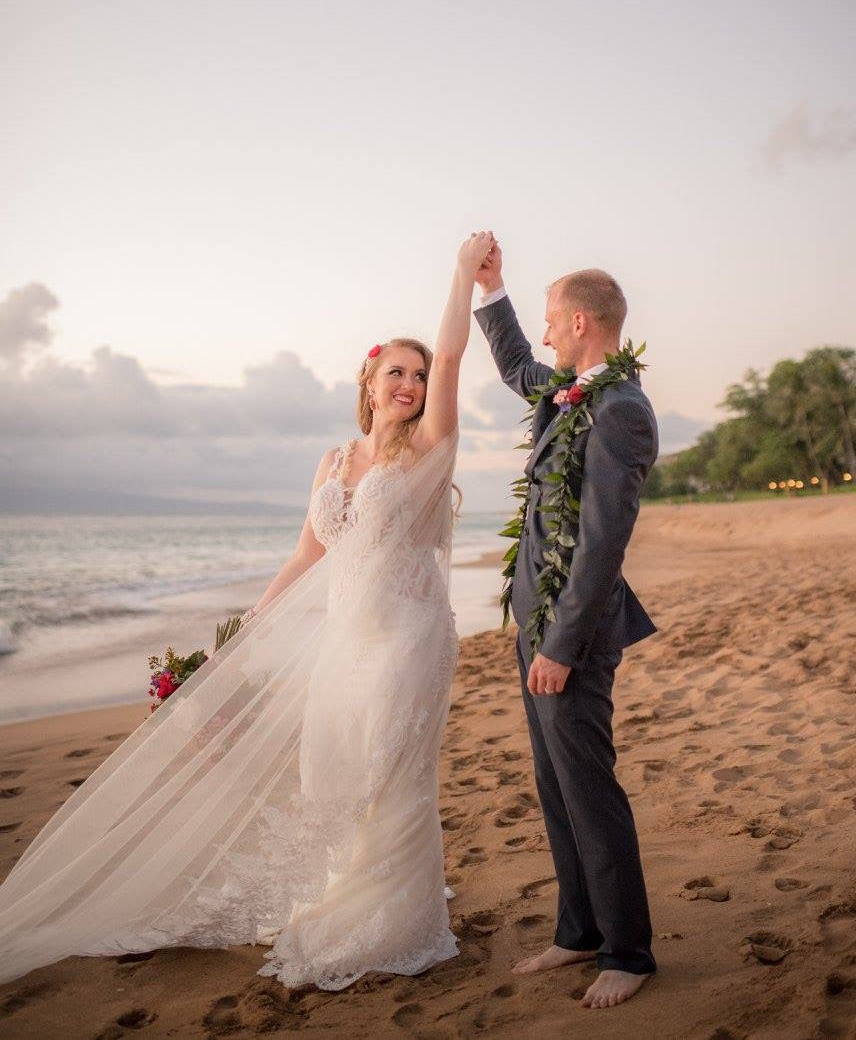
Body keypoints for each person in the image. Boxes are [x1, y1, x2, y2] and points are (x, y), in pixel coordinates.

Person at [0, 231, 495, 992]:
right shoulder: (334, 462)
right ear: (368, 383)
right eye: (395, 371)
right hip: (344, 639)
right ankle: (346, 889)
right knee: (331, 771)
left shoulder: (430, 449)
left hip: (407, 636)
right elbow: (307, 557)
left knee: (391, 774)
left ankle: (398, 917)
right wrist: (246, 631)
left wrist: (463, 275)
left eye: (419, 375)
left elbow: (457, 355)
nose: (411, 383)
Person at [473, 242, 659, 1010]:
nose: (546, 335)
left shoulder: (619, 411)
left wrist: (556, 645)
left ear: (581, 321)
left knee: (589, 789)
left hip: (568, 637)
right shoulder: (573, 391)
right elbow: (521, 369)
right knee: (555, 787)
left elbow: (601, 547)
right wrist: (494, 290)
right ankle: (578, 931)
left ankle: (628, 951)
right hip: (535, 627)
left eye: (552, 321)